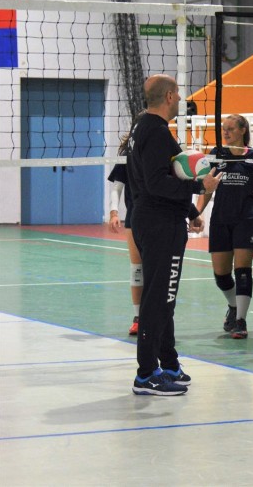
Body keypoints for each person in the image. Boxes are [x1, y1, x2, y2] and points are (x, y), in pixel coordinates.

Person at [127, 74, 222, 395]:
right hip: (159, 224)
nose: (181, 99)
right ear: (169, 96)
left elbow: (153, 181)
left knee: (163, 296)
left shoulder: (142, 127)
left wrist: (190, 211)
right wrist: (200, 186)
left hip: (152, 217)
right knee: (160, 297)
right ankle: (146, 374)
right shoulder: (155, 132)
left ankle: (168, 363)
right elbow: (156, 184)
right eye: (178, 94)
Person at [195, 114, 253, 339]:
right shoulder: (217, 155)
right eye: (224, 128)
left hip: (246, 219)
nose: (226, 132)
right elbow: (207, 189)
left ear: (242, 130)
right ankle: (233, 306)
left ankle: (241, 320)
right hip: (221, 219)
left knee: (242, 271)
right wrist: (196, 213)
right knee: (221, 275)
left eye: (231, 128)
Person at [107, 111, 145, 336]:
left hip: (158, 217)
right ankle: (138, 317)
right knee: (137, 267)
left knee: (156, 268)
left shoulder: (162, 149)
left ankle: (157, 316)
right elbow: (117, 186)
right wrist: (114, 212)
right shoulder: (127, 153)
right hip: (135, 216)